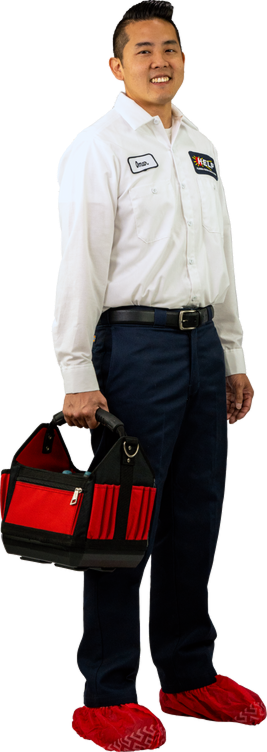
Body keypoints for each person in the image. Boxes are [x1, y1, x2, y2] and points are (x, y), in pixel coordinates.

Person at [51, 1, 266, 748]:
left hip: (202, 347)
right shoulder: (98, 148)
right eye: (142, 49)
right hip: (134, 349)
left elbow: (221, 266)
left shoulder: (201, 146)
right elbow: (76, 262)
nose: (159, 60)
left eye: (170, 48)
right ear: (114, 68)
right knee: (122, 522)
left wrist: (236, 357)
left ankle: (188, 674)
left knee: (195, 514)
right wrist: (75, 368)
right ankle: (107, 693)